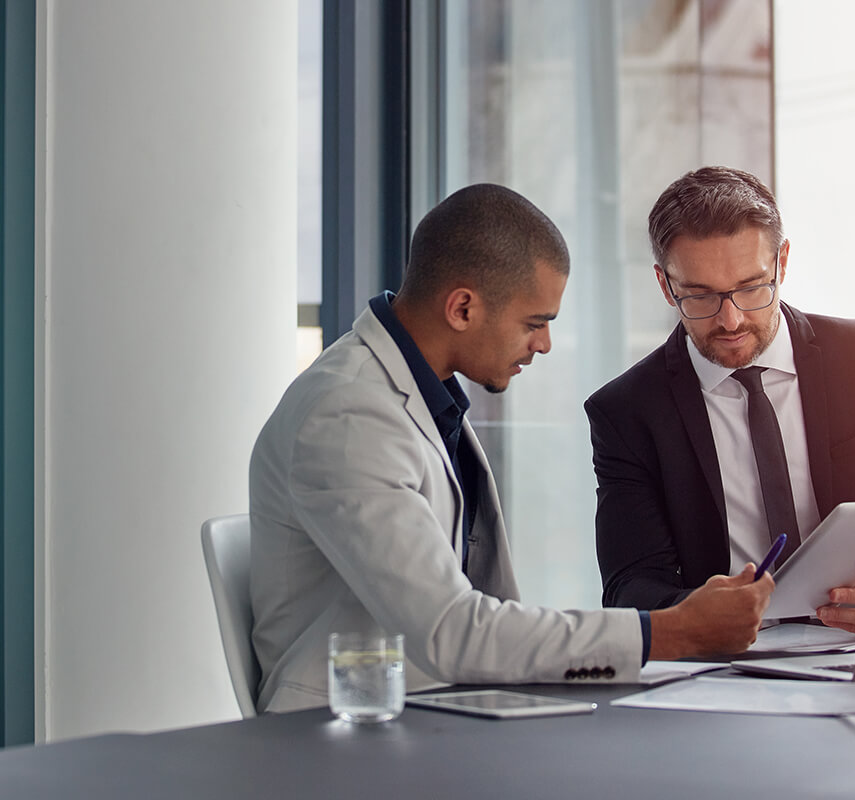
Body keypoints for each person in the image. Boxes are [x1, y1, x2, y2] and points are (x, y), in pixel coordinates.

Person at [249, 183, 772, 713]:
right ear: (462, 308)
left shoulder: (420, 397)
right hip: (345, 736)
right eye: (534, 323)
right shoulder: (348, 414)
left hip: (436, 712)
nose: (543, 344)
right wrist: (671, 632)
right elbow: (452, 631)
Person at [585, 166, 855, 634]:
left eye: (750, 287)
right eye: (700, 297)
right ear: (665, 285)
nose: (731, 320)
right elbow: (630, 586)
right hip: (728, 664)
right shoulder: (626, 412)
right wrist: (700, 613)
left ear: (782, 263)